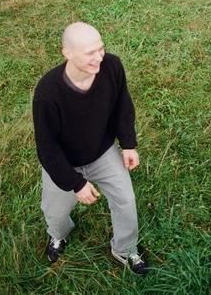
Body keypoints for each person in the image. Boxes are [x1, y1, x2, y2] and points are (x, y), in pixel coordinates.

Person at [32, 22, 147, 274]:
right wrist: (76, 183)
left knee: (126, 201)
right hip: (65, 162)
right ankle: (59, 235)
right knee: (55, 212)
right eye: (90, 53)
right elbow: (47, 149)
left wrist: (128, 144)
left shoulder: (112, 66)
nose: (99, 58)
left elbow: (122, 106)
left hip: (102, 152)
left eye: (101, 49)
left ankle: (125, 249)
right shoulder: (48, 92)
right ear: (67, 53)